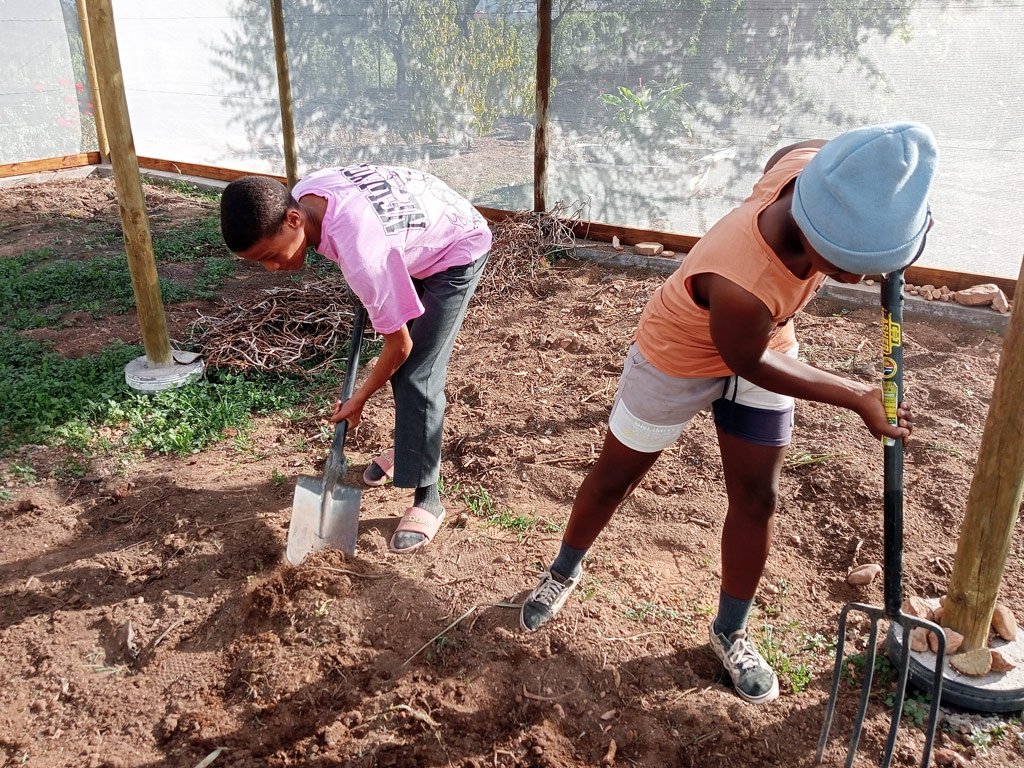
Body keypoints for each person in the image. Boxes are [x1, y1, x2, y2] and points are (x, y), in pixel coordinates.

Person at [519, 122, 935, 705]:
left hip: (769, 338)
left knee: (757, 497)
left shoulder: (816, 169)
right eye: (845, 262)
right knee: (615, 477)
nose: (856, 278)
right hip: (681, 356)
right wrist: (857, 396)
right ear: (810, 225)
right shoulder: (739, 272)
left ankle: (730, 629)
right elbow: (750, 360)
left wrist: (894, 235)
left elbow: (794, 154)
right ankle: (563, 569)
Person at [220, 164, 492, 554]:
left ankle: (428, 497)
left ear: (294, 218)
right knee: (405, 362)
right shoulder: (308, 192)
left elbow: (400, 347)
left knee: (417, 373)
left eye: (269, 255)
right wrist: (370, 283)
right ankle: (409, 447)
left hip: (455, 242)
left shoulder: (363, 253)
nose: (271, 268)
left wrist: (358, 398)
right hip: (409, 233)